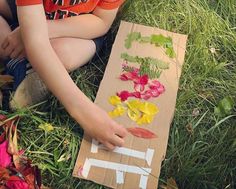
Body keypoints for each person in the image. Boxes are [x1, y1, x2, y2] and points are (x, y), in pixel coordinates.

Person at [0, 0, 127, 149]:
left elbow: (101, 21)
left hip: (78, 28)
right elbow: (36, 41)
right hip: (30, 11)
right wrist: (86, 113)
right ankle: (16, 62)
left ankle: (22, 60)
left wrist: (36, 29)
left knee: (63, 54)